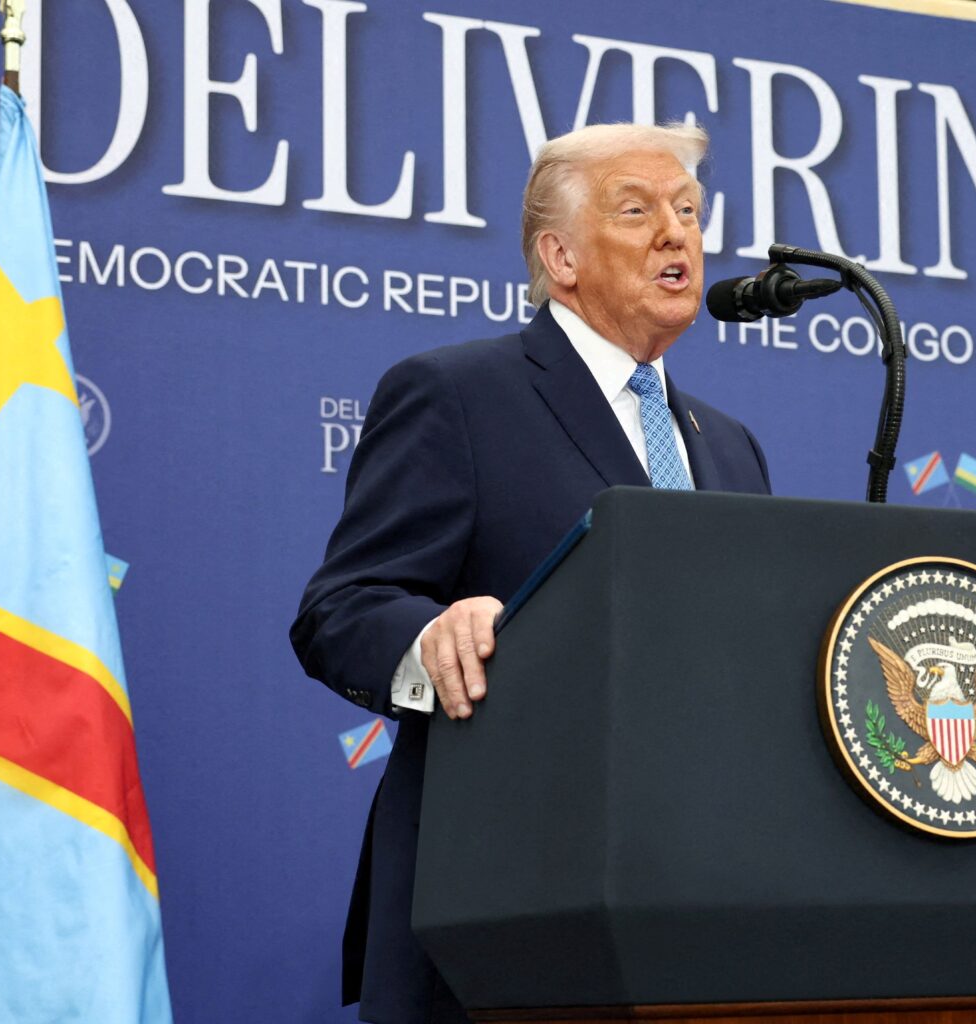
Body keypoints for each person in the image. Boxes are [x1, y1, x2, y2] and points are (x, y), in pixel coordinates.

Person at [289, 122, 772, 1024]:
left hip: (699, 903)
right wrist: (430, 639)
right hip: (505, 903)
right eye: (638, 212)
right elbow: (342, 607)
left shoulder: (731, 445)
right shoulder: (459, 394)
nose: (678, 234)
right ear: (560, 255)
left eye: (689, 211)